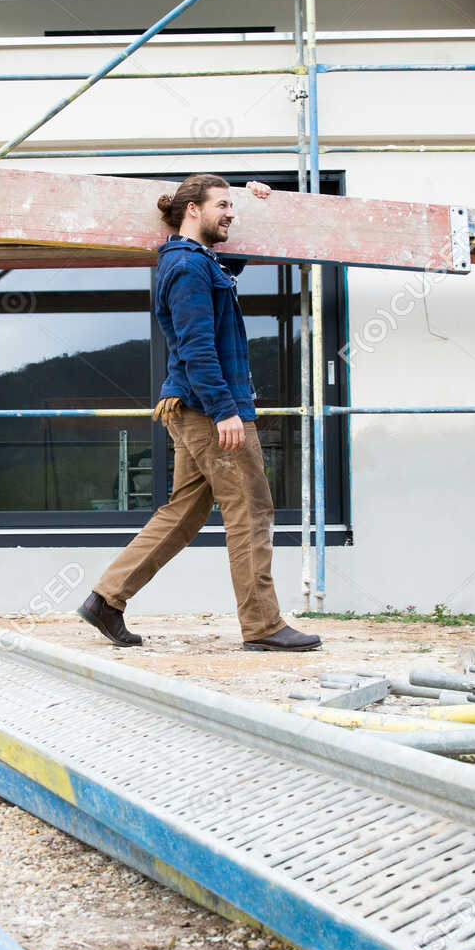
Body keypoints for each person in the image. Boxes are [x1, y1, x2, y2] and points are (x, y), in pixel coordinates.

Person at [78, 174, 321, 653]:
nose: (231, 214)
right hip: (209, 408)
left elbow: (235, 260)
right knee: (251, 508)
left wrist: (259, 203)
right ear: (194, 209)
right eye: (224, 205)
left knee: (184, 513)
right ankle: (264, 626)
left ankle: (107, 598)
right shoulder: (187, 268)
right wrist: (225, 412)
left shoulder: (198, 261)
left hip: (192, 405)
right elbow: (196, 347)